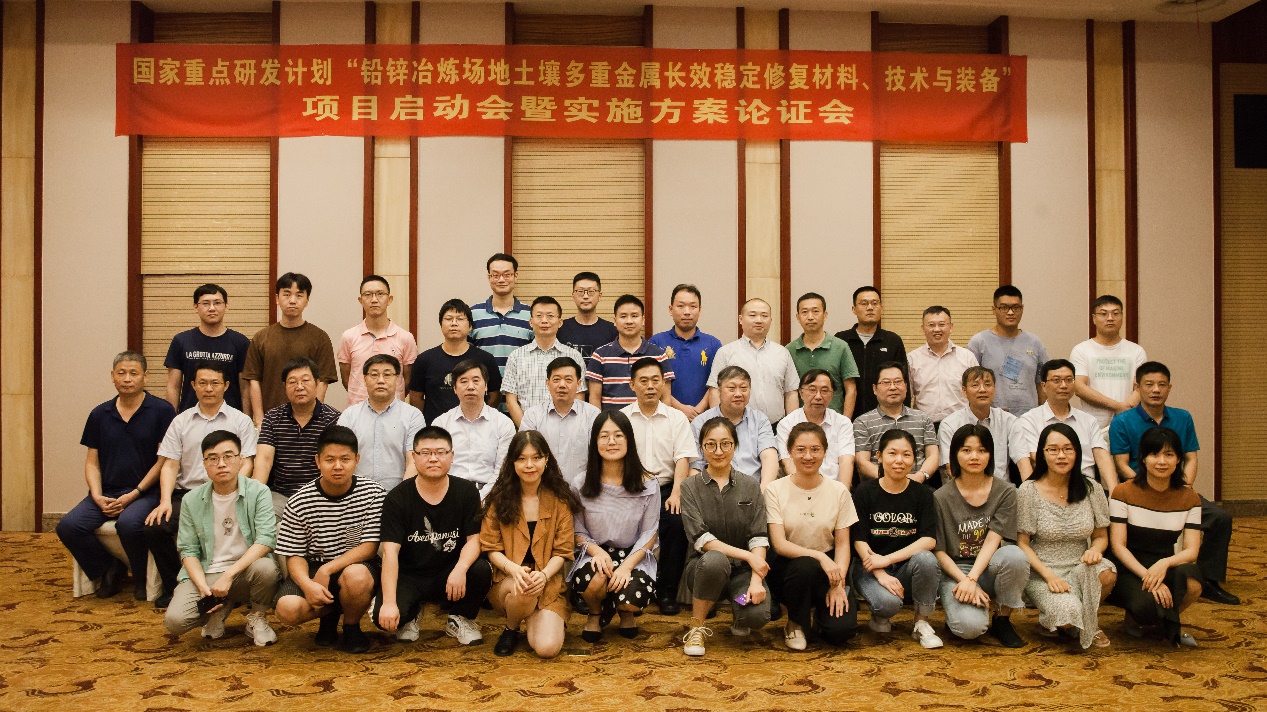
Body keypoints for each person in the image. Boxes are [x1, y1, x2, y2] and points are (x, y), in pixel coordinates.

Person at [1109, 362, 1238, 605]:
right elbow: (1122, 464)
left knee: (1220, 518)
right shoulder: (1122, 421)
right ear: (1137, 387)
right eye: (1149, 384)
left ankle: (1209, 580)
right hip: (1140, 489)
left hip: (1176, 487)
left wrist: (1184, 488)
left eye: (1162, 385)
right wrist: (1146, 484)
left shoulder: (1182, 417)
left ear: (1170, 388)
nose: (1155, 390)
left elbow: (1190, 457)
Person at [58, 351, 175, 600]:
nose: (127, 379)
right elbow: (92, 462)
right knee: (68, 527)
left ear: (145, 376)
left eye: (133, 373)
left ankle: (141, 578)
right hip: (108, 492)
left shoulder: (162, 411)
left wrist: (135, 493)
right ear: (112, 376)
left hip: (146, 493)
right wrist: (97, 495)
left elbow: (163, 460)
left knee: (129, 524)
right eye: (121, 373)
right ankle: (108, 568)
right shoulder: (100, 414)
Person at [145, 361, 258, 608]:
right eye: (202, 383)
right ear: (193, 386)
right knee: (156, 527)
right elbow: (170, 464)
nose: (209, 388)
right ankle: (176, 586)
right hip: (188, 495)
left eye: (215, 383)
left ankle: (240, 587)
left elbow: (247, 462)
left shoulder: (240, 421)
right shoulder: (180, 421)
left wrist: (236, 490)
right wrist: (165, 501)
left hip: (229, 492)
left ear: (226, 386)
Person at [374, 426, 492, 646]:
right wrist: (389, 603)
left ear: (452, 455)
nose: (433, 459)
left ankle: (460, 617)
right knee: (383, 619)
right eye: (426, 453)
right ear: (414, 456)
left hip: (449, 572)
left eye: (440, 452)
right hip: (410, 575)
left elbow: (474, 539)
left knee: (480, 569)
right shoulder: (397, 498)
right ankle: (412, 613)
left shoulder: (466, 492)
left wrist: (460, 569)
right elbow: (390, 553)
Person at [274, 425, 387, 654]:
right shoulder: (299, 501)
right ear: (317, 461)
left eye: (345, 459)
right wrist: (307, 585)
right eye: (330, 459)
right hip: (314, 567)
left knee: (356, 576)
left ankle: (351, 626)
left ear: (356, 460)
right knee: (286, 609)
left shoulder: (374, 494)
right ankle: (330, 613)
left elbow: (369, 547)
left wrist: (328, 569)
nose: (337, 466)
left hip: (357, 566)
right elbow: (294, 554)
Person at [163, 431, 280, 646]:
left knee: (267, 569)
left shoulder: (258, 491)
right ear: (204, 463)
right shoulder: (191, 499)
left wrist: (228, 575)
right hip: (207, 572)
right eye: (213, 458)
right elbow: (188, 550)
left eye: (228, 456)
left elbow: (266, 540)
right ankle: (219, 608)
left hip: (245, 571)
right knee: (175, 622)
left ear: (240, 459)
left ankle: (257, 616)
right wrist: (203, 588)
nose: (222, 464)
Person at [480, 431, 581, 658]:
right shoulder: (499, 499)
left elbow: (563, 551)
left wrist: (543, 576)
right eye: (522, 459)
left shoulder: (559, 501)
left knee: (547, 649)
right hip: (508, 580)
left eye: (536, 458)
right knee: (524, 588)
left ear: (546, 460)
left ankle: (541, 617)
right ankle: (512, 627)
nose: (529, 465)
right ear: (512, 462)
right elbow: (491, 548)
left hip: (546, 579)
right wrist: (514, 570)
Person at [1016, 423, 1116, 650]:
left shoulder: (1092, 488)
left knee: (1107, 573)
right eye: (1053, 450)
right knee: (1068, 616)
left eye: (1068, 449)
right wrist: (1049, 576)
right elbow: (1023, 543)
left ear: (1077, 453)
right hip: (1044, 573)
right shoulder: (1028, 490)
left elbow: (1101, 536)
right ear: (1042, 453)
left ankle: (1088, 623)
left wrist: (1095, 550)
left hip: (1080, 567)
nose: (1061, 456)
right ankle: (1065, 620)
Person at [678, 417, 772, 657]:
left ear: (735, 446)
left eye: (725, 444)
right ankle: (697, 626)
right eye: (711, 444)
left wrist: (755, 581)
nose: (718, 451)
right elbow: (702, 539)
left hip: (741, 573)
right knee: (715, 560)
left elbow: (758, 536)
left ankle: (738, 610)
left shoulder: (750, 485)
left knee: (757, 616)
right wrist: (748, 557)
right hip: (703, 570)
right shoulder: (689, 486)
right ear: (702, 447)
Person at [1107, 426, 1204, 647]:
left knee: (1193, 582)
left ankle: (1161, 623)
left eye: (1169, 454)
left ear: (1178, 459)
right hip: (1130, 567)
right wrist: (1148, 577)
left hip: (1164, 563)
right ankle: (1159, 622)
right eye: (1154, 454)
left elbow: (1191, 551)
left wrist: (1164, 564)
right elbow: (1118, 546)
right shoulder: (1123, 492)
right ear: (1143, 458)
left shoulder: (1190, 498)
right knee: (1146, 606)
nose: (1162, 461)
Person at [766, 422, 860, 650]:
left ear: (825, 452)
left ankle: (818, 612)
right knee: (806, 566)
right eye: (801, 449)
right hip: (789, 569)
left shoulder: (839, 491)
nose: (808, 456)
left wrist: (838, 584)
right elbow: (779, 544)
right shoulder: (775, 489)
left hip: (830, 570)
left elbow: (843, 544)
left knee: (840, 632)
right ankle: (794, 623)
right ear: (789, 452)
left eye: (815, 449)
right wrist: (820, 557)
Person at [934, 424, 1030, 648]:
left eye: (982, 450)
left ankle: (1002, 619)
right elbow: (938, 551)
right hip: (955, 571)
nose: (974, 457)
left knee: (1015, 555)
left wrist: (973, 579)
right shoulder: (940, 496)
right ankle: (958, 613)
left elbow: (993, 539)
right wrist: (965, 580)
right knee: (970, 629)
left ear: (991, 455)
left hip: (988, 567)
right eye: (966, 450)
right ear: (955, 455)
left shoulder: (1006, 491)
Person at [570, 411, 661, 642]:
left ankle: (624, 611)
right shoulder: (581, 483)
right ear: (595, 442)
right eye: (604, 436)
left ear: (629, 440)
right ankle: (595, 612)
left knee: (631, 599)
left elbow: (650, 533)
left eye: (618, 435)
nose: (612, 442)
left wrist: (627, 566)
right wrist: (597, 552)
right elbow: (577, 530)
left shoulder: (649, 483)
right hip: (595, 553)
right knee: (596, 578)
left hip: (633, 554)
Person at [851, 429, 943, 649]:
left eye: (906, 454)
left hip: (906, 568)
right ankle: (880, 614)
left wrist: (888, 559)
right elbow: (858, 539)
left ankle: (921, 623)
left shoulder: (923, 494)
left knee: (927, 559)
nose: (899, 460)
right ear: (879, 457)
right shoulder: (864, 491)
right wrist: (880, 572)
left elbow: (928, 540)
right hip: (869, 568)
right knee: (887, 605)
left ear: (914, 459)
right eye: (892, 453)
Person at [621, 358, 699, 615]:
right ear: (632, 385)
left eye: (656, 380)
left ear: (664, 384)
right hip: (631, 489)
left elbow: (683, 458)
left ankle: (666, 592)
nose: (650, 386)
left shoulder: (677, 418)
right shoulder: (622, 418)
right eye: (643, 381)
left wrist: (677, 492)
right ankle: (629, 588)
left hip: (667, 488)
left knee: (677, 524)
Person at [243, 273, 339, 425]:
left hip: (308, 420)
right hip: (270, 420)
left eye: (299, 295)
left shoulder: (320, 337)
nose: (292, 300)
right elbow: (254, 380)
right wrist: (260, 419)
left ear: (307, 300)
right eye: (287, 294)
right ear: (277, 298)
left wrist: (314, 417)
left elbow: (322, 381)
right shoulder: (261, 337)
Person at [254, 357, 341, 519]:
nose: (299, 387)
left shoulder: (333, 419)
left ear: (317, 383)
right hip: (281, 495)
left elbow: (334, 463)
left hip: (320, 495)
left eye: (305, 381)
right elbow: (264, 460)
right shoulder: (273, 418)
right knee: (264, 518)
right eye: (292, 382)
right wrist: (255, 497)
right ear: (285, 387)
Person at [1011, 359, 1115, 488]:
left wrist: (1114, 491)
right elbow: (1035, 458)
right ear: (1043, 386)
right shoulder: (1029, 420)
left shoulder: (1088, 420)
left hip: (1086, 486)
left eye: (1069, 380)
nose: (1064, 385)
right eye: (1056, 380)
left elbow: (1102, 457)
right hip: (1050, 488)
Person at [336, 354, 426, 492]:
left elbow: (413, 461)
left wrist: (400, 496)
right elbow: (341, 458)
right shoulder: (349, 416)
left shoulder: (413, 416)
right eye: (374, 375)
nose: (381, 380)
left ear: (397, 379)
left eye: (387, 375)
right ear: (365, 379)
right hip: (356, 495)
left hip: (398, 494)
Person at [432, 359, 516, 499]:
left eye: (476, 381)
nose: (470, 387)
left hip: (492, 497)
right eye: (463, 381)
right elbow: (437, 467)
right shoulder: (441, 424)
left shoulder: (503, 424)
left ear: (486, 386)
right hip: (449, 496)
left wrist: (482, 499)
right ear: (454, 388)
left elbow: (503, 471)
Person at [706, 298, 799, 424]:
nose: (759, 320)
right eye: (752, 315)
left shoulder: (783, 353)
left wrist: (792, 426)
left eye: (764, 316)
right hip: (734, 426)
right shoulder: (725, 353)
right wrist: (720, 425)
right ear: (740, 319)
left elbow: (791, 392)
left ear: (770, 320)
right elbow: (715, 391)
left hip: (776, 426)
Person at [407, 298, 502, 422]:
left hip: (476, 426)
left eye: (460, 319)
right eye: (448, 319)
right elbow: (415, 397)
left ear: (470, 326)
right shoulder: (424, 360)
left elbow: (495, 395)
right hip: (436, 429)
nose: (454, 323)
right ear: (441, 325)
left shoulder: (485, 359)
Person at [164, 284, 251, 414]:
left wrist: (247, 419)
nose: (212, 308)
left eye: (217, 303)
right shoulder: (181, 341)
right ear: (195, 307)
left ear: (226, 306)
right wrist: (172, 419)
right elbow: (173, 387)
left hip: (229, 418)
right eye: (205, 303)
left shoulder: (240, 342)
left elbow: (245, 389)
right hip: (190, 417)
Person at [689, 366, 780, 488]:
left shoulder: (760, 420)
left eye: (743, 388)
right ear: (719, 391)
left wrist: (763, 491)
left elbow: (769, 457)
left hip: (753, 489)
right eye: (731, 388)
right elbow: (696, 466)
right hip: (713, 491)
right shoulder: (700, 422)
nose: (738, 394)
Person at [502, 296, 586, 426]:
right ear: (531, 322)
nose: (544, 321)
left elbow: (579, 397)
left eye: (550, 316)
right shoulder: (516, 357)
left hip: (566, 429)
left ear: (560, 322)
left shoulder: (574, 356)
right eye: (539, 316)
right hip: (528, 431)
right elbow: (511, 401)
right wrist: (528, 431)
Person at [337, 275, 419, 406]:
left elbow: (408, 380)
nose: (374, 300)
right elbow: (346, 379)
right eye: (367, 295)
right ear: (360, 300)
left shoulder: (405, 338)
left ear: (389, 299)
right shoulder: (349, 337)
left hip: (394, 409)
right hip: (357, 410)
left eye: (380, 294)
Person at [967, 285, 1049, 415]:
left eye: (1015, 307)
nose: (1010, 312)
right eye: (1004, 307)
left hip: (1029, 417)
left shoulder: (1034, 342)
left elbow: (1042, 384)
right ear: (994, 310)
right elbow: (970, 383)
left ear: (1022, 309)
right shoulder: (979, 342)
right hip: (991, 418)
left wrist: (1043, 415)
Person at [520, 357, 601, 486]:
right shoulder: (533, 416)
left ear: (579, 384)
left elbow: (599, 458)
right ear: (548, 383)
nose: (562, 385)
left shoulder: (592, 415)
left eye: (568, 380)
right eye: (556, 379)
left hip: (583, 491)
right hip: (542, 490)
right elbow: (524, 456)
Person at [853, 363, 939, 484]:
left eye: (898, 382)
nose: (893, 387)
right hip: (878, 487)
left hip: (918, 485)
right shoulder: (862, 422)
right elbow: (862, 462)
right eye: (886, 383)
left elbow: (933, 455)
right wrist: (891, 480)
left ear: (906, 386)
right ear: (874, 389)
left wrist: (920, 476)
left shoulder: (923, 418)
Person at [1070, 295, 1147, 431]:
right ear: (1094, 318)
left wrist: (1123, 412)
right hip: (1092, 424)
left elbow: (1141, 387)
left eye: (1115, 313)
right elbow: (1079, 387)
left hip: (1128, 422)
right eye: (1103, 314)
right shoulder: (1081, 350)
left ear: (1122, 317)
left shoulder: (1136, 351)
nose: (1110, 318)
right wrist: (1117, 406)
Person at [649, 284, 723, 422]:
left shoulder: (714, 344)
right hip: (666, 418)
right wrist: (680, 408)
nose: (687, 312)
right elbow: (652, 382)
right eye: (681, 306)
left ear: (700, 310)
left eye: (693, 306)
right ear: (671, 309)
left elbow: (717, 382)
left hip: (704, 419)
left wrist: (699, 409)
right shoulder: (656, 342)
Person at [587, 294, 674, 410]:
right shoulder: (600, 356)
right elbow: (594, 399)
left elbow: (666, 399)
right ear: (615, 321)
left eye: (634, 316)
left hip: (649, 420)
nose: (629, 321)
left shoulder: (659, 355)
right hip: (612, 421)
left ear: (643, 320)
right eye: (623, 316)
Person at [834, 286, 908, 417]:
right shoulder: (841, 340)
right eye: (864, 303)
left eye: (875, 303)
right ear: (854, 309)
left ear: (881, 308)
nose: (870, 308)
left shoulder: (892, 340)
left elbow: (903, 381)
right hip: (847, 415)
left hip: (885, 416)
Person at [939, 366, 1019, 484]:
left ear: (994, 388)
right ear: (964, 391)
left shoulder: (1009, 421)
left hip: (1001, 489)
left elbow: (1022, 459)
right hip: (964, 488)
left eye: (987, 384)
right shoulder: (949, 424)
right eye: (975, 385)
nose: (982, 390)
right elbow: (951, 469)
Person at [777, 369, 856, 485]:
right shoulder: (787, 424)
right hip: (798, 487)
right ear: (801, 393)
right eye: (812, 390)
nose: (818, 396)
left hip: (834, 487)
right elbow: (787, 462)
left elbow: (847, 461)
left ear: (832, 394)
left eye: (824, 391)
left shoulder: (843, 423)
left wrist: (843, 492)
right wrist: (806, 490)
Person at [787, 293, 859, 417]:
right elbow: (788, 391)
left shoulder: (841, 347)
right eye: (804, 312)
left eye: (815, 311)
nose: (810, 317)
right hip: (801, 423)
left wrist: (845, 422)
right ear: (798, 317)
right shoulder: (789, 350)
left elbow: (851, 388)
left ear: (825, 314)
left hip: (834, 422)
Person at [907, 306, 979, 426]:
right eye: (931, 325)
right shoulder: (912, 359)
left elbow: (976, 393)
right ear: (923, 328)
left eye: (942, 324)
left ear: (951, 327)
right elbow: (906, 396)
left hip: (961, 424)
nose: (937, 329)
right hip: (924, 425)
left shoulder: (967, 357)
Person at [470, 253, 532, 377]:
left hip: (520, 386)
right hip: (484, 386)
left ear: (515, 276)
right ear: (489, 277)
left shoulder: (531, 314)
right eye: (496, 275)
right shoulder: (473, 313)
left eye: (507, 275)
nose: (501, 280)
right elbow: (467, 355)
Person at [557, 271, 619, 360]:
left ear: (600, 296)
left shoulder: (613, 331)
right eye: (580, 291)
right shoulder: (560, 329)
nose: (585, 296)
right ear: (573, 296)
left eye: (591, 291)